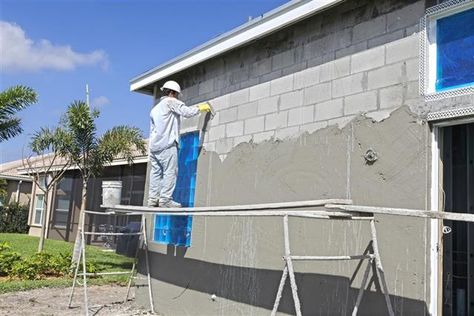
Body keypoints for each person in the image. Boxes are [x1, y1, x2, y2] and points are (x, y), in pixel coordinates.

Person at [148, 80, 211, 208]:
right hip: (167, 145)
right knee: (170, 172)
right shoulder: (171, 102)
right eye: (176, 94)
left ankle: (153, 199)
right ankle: (165, 200)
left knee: (156, 173)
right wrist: (200, 108)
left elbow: (152, 130)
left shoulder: (154, 109)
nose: (177, 97)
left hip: (155, 147)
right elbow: (186, 112)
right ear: (172, 93)